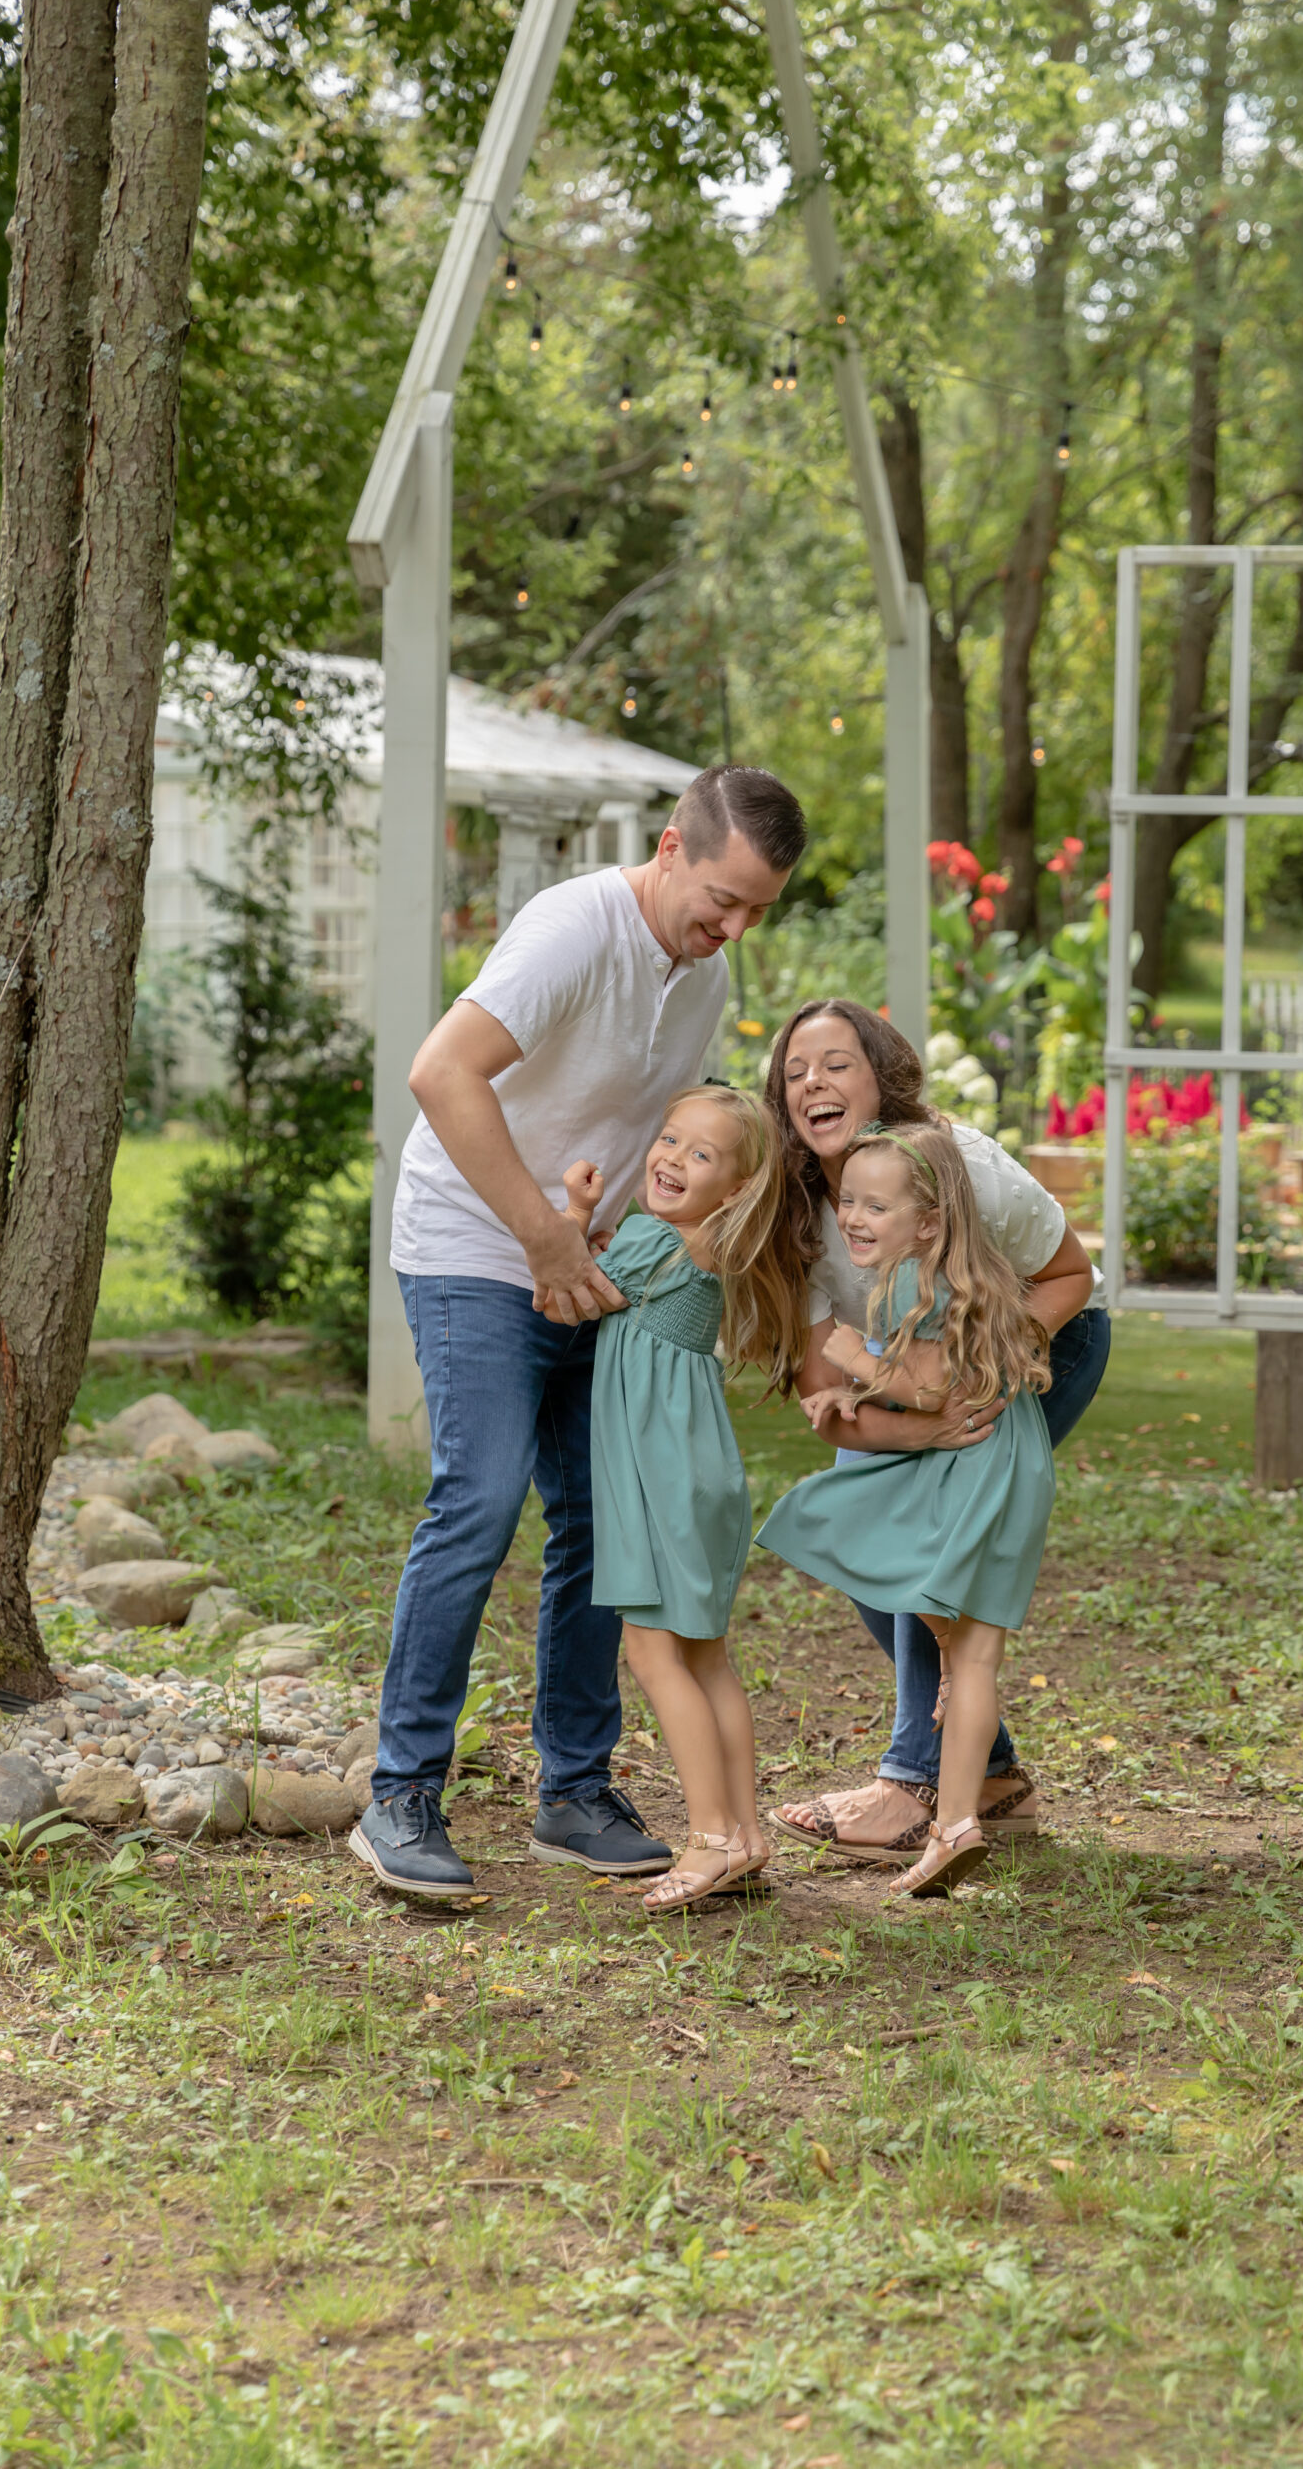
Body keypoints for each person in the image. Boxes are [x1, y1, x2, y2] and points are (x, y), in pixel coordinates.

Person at [350, 765, 807, 1902]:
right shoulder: (571, 928)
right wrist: (542, 1241)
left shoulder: (699, 975)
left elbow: (662, 1136)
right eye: (723, 899)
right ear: (669, 847)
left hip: (592, 1264)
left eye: (758, 910)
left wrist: (609, 1244)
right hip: (474, 1241)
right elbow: (440, 1072)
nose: (734, 928)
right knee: (483, 1493)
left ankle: (573, 1788)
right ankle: (399, 1792)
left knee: (602, 1514)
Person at [764, 999, 1109, 1865]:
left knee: (931, 1565)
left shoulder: (961, 1169)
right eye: (795, 1070)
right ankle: (987, 1779)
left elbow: (1070, 1273)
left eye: (837, 1062)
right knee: (875, 1549)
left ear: (882, 1076)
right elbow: (822, 1380)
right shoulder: (797, 1209)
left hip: (1041, 1336)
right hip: (897, 1366)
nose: (814, 1082)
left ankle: (911, 1789)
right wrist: (921, 1424)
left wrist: (973, 1374)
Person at [758, 1125, 1055, 1897]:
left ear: (926, 1221)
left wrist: (852, 1358)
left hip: (968, 1470)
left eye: (875, 1206)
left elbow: (924, 1391)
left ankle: (953, 1813)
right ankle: (955, 1824)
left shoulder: (908, 1282)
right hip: (1007, 1464)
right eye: (848, 1200)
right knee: (972, 1658)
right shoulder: (973, 1273)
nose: (853, 1217)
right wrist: (853, 1391)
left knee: (853, 1522)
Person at [560, 1085, 797, 1911]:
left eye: (701, 1156)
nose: (669, 1159)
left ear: (734, 1190)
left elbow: (563, 1290)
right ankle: (745, 1834)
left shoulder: (659, 1240)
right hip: (697, 1476)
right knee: (702, 1656)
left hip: (662, 1480)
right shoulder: (701, 1244)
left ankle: (709, 1839)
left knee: (655, 1656)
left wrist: (575, 1209)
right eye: (667, 1139)